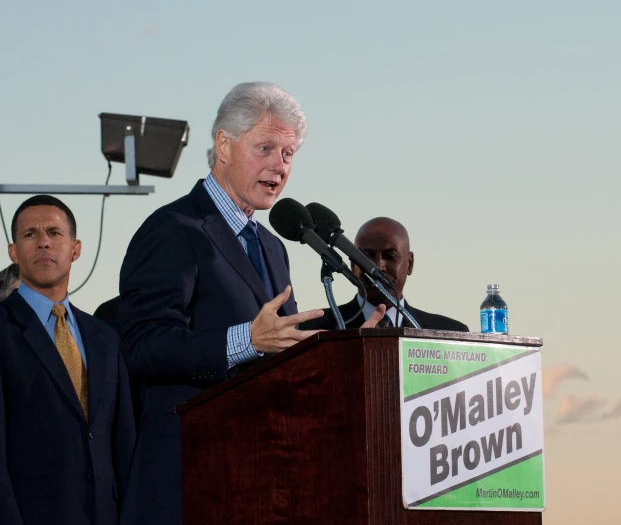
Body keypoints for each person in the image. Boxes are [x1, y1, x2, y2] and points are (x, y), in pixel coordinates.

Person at [117, 82, 384, 525]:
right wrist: (245, 340)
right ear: (224, 145)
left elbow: (285, 352)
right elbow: (142, 345)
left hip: (260, 481)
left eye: (289, 154)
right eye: (266, 148)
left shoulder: (272, 247)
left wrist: (345, 353)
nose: (279, 167)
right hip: (188, 477)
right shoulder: (173, 229)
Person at [0, 195, 135, 525]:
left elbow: (123, 444)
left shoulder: (105, 337)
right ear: (13, 252)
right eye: (30, 234)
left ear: (75, 249)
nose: (44, 242)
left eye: (54, 233)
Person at [301, 217, 469, 332]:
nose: (378, 266)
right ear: (353, 265)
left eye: (390, 256)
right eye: (366, 257)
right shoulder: (315, 330)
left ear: (409, 264)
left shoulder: (450, 332)